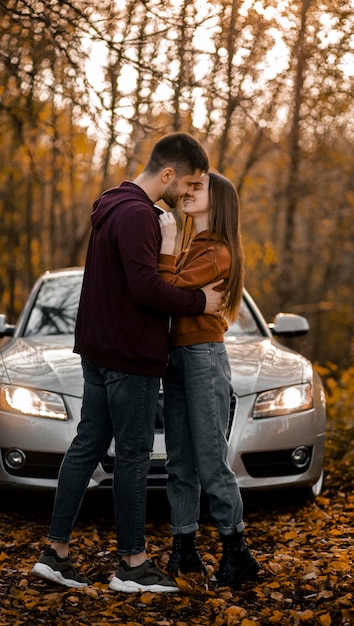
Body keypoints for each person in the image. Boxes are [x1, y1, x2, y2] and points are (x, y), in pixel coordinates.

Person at [30, 133, 224, 593]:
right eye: (189, 182)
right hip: (130, 356)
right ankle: (132, 565)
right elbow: (146, 290)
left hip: (99, 350)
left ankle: (55, 553)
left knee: (86, 446)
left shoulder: (112, 203)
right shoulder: (139, 215)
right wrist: (200, 300)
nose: (187, 194)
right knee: (134, 456)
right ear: (169, 173)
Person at [157, 171, 260, 589]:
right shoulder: (190, 248)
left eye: (197, 188)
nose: (187, 192)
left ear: (217, 203)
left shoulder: (217, 251)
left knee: (211, 461)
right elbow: (168, 292)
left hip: (203, 357)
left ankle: (237, 553)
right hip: (176, 357)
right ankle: (185, 551)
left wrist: (163, 250)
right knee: (178, 462)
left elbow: (165, 289)